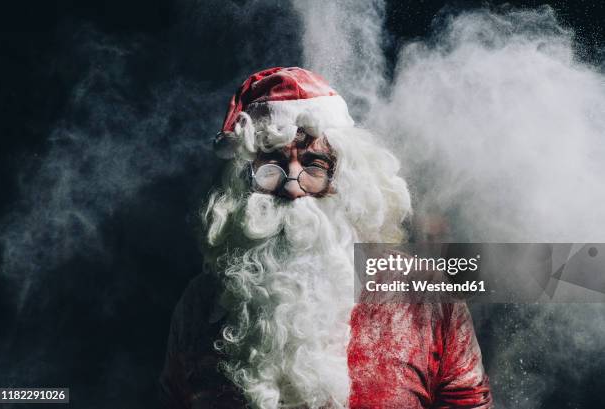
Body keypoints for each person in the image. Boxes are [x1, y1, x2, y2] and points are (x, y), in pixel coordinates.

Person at [159, 67, 492, 408]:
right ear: (241, 184)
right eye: (270, 167)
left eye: (314, 165)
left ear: (346, 179)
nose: (291, 186)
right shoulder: (200, 304)